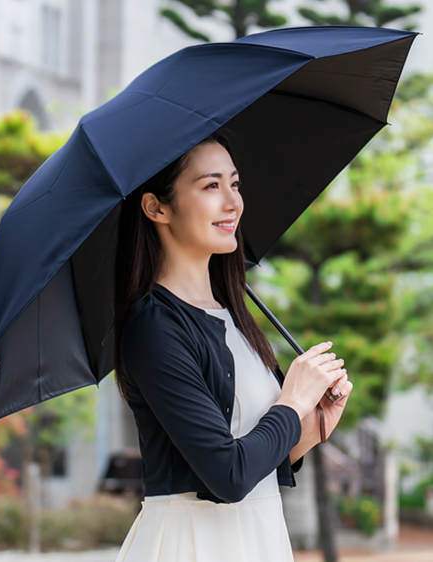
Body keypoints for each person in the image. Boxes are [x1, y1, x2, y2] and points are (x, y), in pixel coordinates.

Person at [112, 129, 353, 562]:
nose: (233, 202)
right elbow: (228, 475)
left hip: (257, 538)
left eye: (235, 184)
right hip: (192, 544)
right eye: (211, 185)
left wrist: (309, 430)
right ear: (156, 207)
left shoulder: (235, 316)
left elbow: (254, 456)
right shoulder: (153, 326)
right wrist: (293, 402)